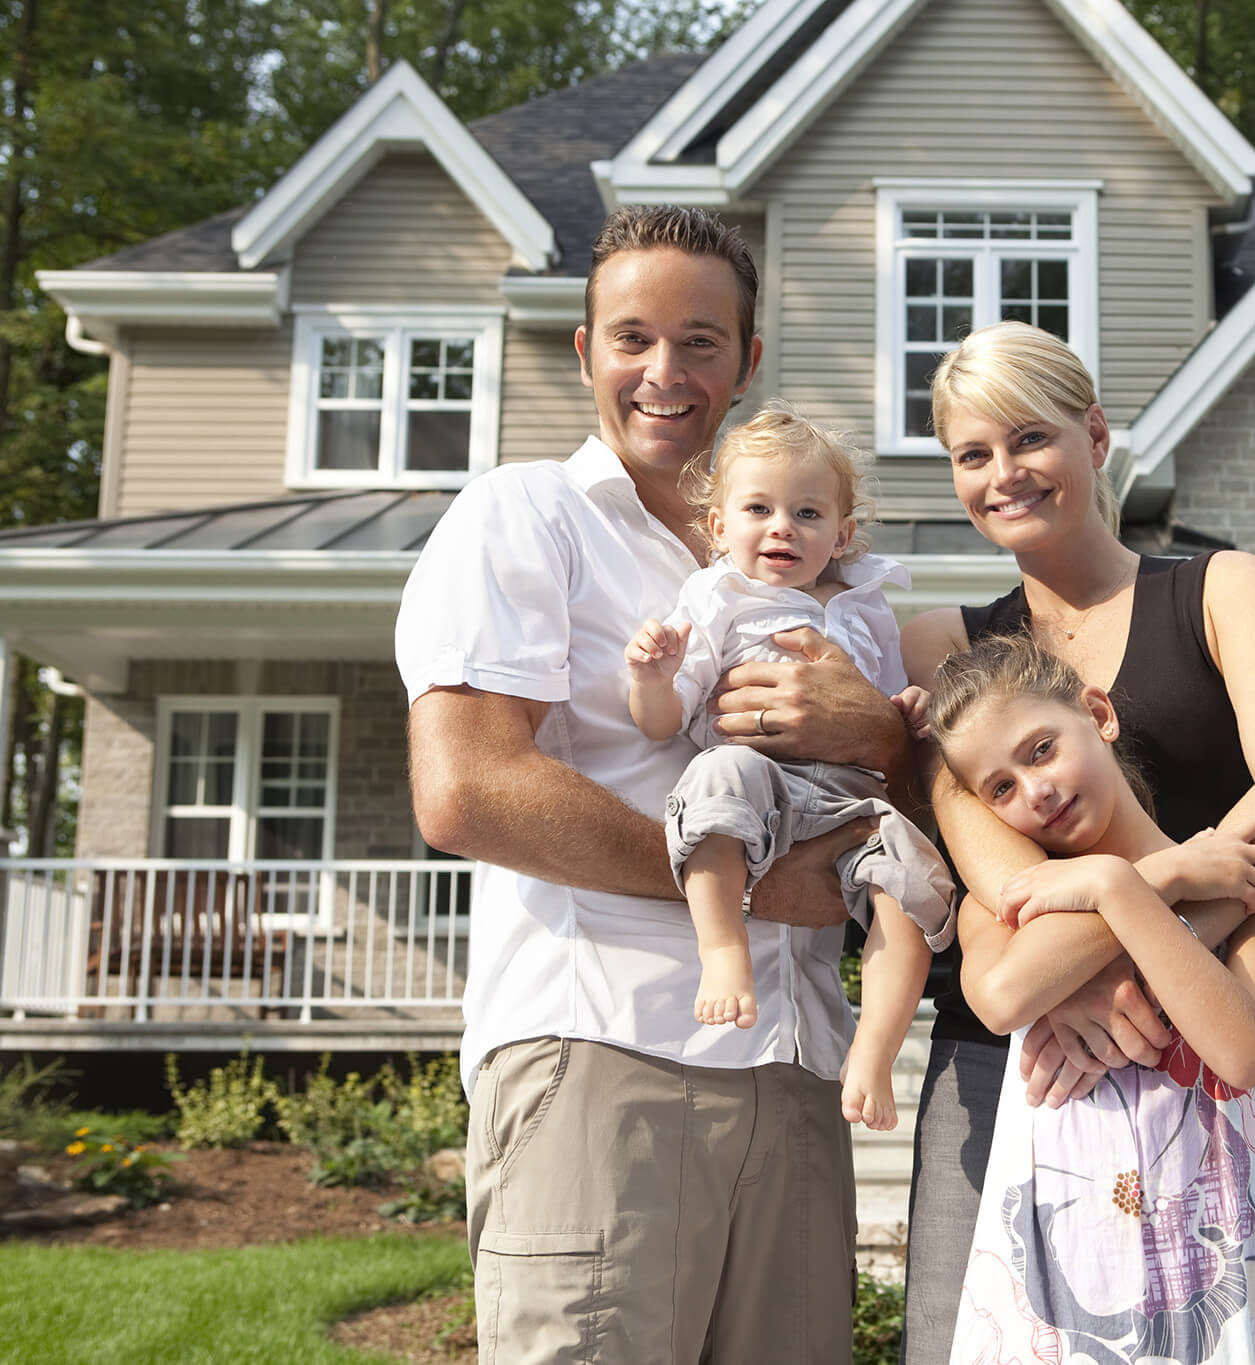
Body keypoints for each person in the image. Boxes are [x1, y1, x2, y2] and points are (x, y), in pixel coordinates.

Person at [397, 206, 906, 1364]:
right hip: (605, 1056)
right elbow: (466, 791)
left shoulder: (809, 565)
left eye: (700, 341)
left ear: (747, 361)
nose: (663, 373)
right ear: (583, 352)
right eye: (631, 338)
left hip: (798, 1068)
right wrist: (756, 892)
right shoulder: (523, 517)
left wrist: (878, 730)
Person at [891, 321, 1255, 1363]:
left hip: (1200, 1038)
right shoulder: (942, 645)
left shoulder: (1221, 588)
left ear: (1093, 437)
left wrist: (1159, 952)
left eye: (1029, 438)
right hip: (1016, 1058)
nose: (1003, 473)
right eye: (972, 454)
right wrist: (1130, 921)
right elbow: (1000, 886)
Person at [930, 632, 1255, 1363]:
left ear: (1099, 713)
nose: (1036, 790)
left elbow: (1244, 1050)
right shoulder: (1007, 912)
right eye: (1000, 789)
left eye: (1040, 749)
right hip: (1070, 1295)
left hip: (1228, 1271)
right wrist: (1153, 881)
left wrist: (1118, 887)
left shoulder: (1248, 879)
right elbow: (1000, 996)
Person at [626, 400, 955, 1129]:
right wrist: (655, 676)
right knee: (713, 782)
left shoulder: (868, 607)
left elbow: (879, 711)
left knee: (913, 877)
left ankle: (874, 1046)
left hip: (851, 801)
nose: (782, 525)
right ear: (718, 528)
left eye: (807, 513)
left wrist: (906, 709)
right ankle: (722, 947)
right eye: (758, 508)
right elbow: (662, 721)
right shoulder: (717, 599)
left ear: (840, 535)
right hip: (760, 780)